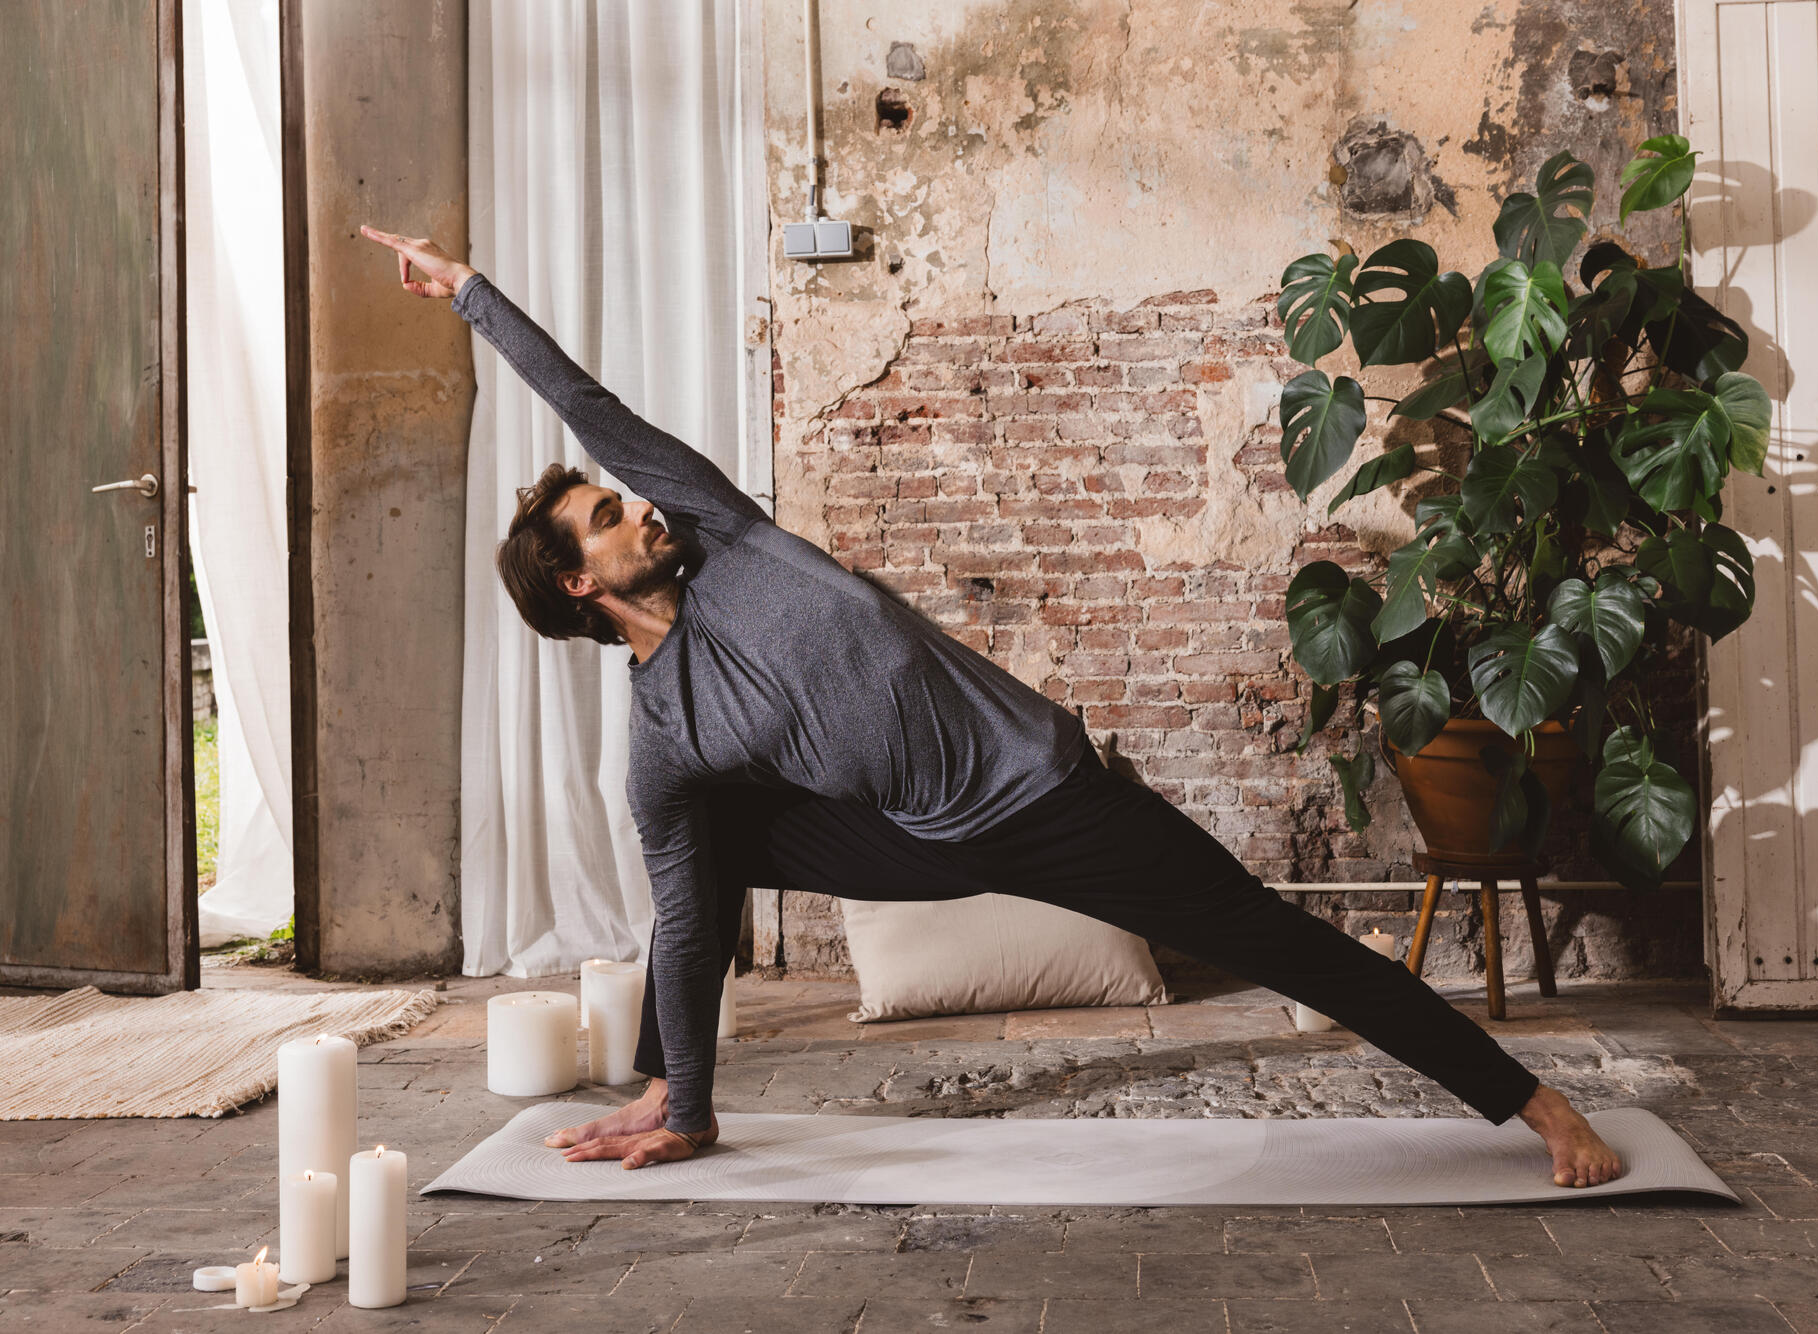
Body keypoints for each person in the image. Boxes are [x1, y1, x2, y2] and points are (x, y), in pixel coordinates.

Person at [361, 225, 1626, 1188]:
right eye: (604, 517)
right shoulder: (664, 738)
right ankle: (677, 1098)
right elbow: (689, 921)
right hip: (916, 837)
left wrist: (469, 291)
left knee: (1264, 936)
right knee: (697, 865)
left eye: (620, 495)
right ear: (583, 587)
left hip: (1046, 793)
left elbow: (592, 405)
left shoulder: (722, 532)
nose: (635, 504)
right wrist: (677, 1085)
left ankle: (1527, 1102)